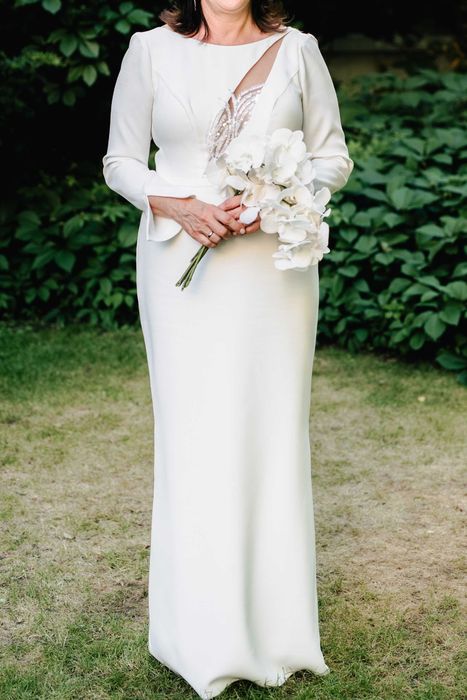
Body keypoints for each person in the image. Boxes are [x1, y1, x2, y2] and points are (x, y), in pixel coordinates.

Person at [102, 1, 354, 698]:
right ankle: (198, 632)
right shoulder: (149, 49)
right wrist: (177, 203)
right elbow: (120, 162)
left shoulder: (297, 49)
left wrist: (279, 197)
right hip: (178, 266)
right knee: (194, 435)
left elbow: (332, 156)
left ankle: (277, 631)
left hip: (273, 270)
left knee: (269, 432)